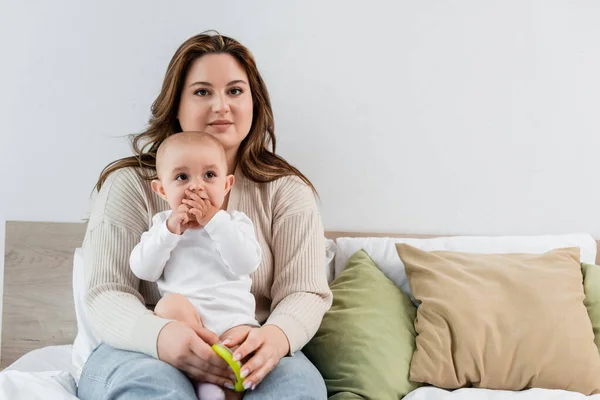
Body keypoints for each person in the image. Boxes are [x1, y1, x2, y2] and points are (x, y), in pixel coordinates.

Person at [77, 31, 332, 400]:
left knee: (297, 388)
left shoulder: (286, 190)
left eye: (235, 91)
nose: (221, 106)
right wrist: (160, 336)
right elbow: (106, 291)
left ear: (254, 103)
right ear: (176, 105)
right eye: (201, 91)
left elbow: (304, 291)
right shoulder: (130, 184)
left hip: (249, 341)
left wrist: (275, 338)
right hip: (142, 347)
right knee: (152, 388)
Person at [130, 132, 262, 400]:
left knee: (246, 350)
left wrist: (214, 220)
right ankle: (199, 379)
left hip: (233, 322)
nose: (196, 187)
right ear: (162, 190)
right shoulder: (162, 225)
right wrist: (169, 232)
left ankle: (223, 388)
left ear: (227, 185)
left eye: (209, 176)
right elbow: (143, 270)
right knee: (167, 306)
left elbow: (246, 263)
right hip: (185, 327)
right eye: (182, 177)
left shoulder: (235, 223)